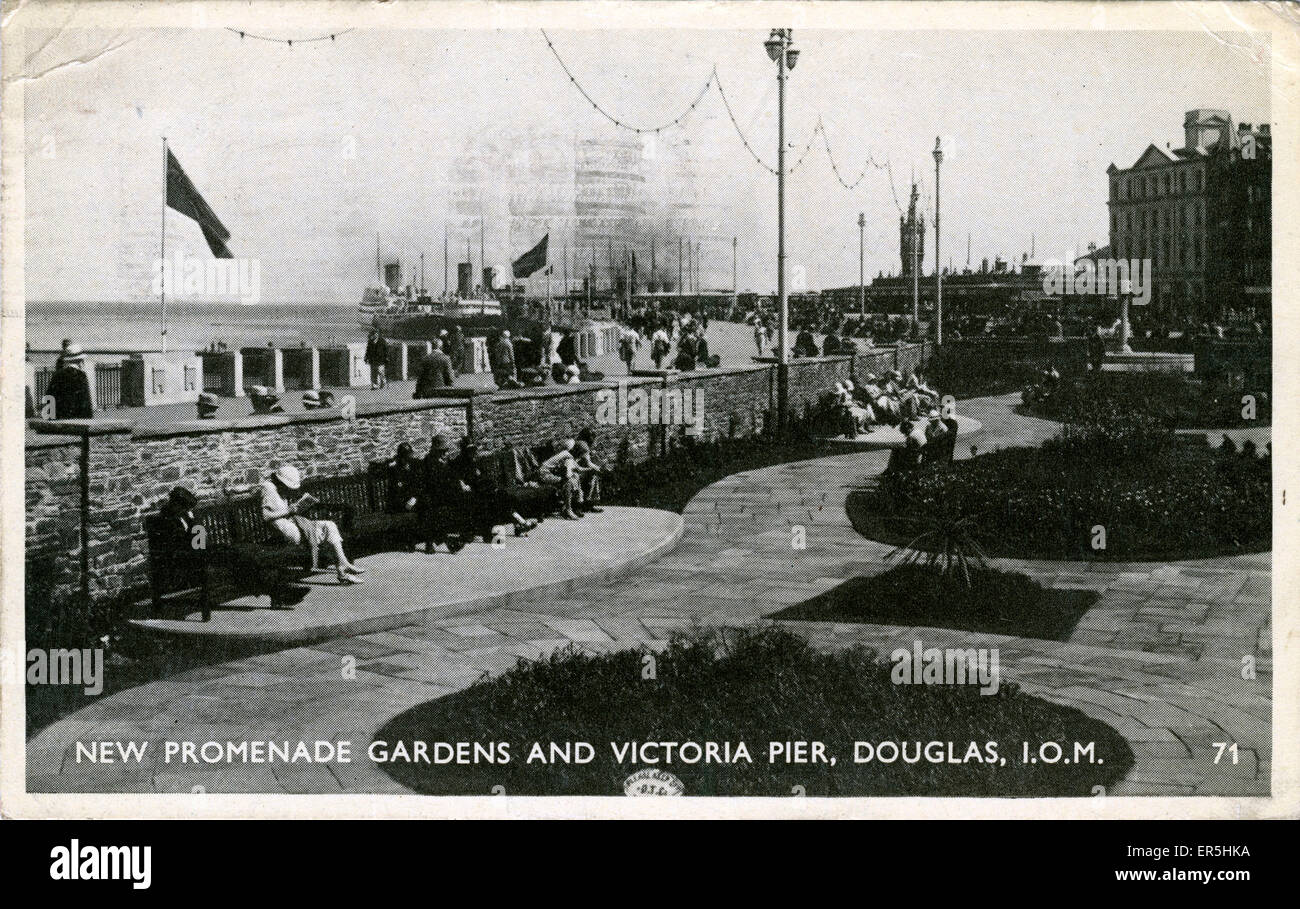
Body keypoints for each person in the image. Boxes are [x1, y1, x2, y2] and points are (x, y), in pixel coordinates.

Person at [260, 464, 365, 584]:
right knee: (326, 531)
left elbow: (282, 510)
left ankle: (343, 564)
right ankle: (342, 569)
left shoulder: (280, 490)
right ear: (280, 482)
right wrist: (289, 511)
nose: (290, 490)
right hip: (286, 531)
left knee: (329, 525)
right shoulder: (268, 488)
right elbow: (265, 516)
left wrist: (297, 508)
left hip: (293, 525)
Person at [45, 343, 93, 419]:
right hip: (76, 420)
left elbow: (48, 397)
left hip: (58, 418)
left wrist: (50, 418)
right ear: (80, 361)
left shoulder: (57, 375)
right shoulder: (81, 375)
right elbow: (85, 402)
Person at [538, 440, 582, 519]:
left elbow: (578, 468)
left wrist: (591, 469)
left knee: (573, 478)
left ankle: (568, 507)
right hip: (545, 475)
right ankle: (568, 510)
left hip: (545, 473)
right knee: (569, 482)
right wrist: (574, 476)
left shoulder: (565, 454)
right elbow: (568, 474)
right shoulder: (568, 457)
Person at [571, 440, 604, 513]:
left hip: (581, 472)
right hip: (574, 473)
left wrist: (594, 469)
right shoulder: (579, 449)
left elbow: (587, 463)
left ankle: (589, 504)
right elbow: (585, 464)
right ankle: (579, 505)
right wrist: (596, 468)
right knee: (580, 478)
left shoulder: (585, 448)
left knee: (593, 477)